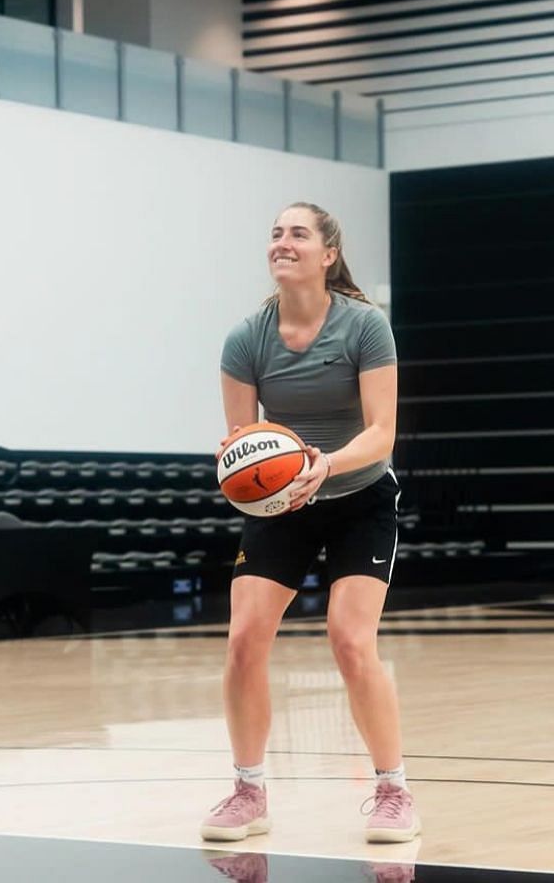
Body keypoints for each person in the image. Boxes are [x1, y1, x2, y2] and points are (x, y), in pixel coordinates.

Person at [202, 202, 415, 844]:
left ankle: (393, 791)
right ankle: (248, 790)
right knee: (243, 640)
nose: (282, 241)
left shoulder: (365, 326)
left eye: (298, 233)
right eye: (275, 233)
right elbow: (243, 437)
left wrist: (325, 465)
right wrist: (233, 456)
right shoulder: (246, 339)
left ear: (327, 255)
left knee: (350, 642)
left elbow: (382, 433)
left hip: (359, 496)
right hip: (281, 506)